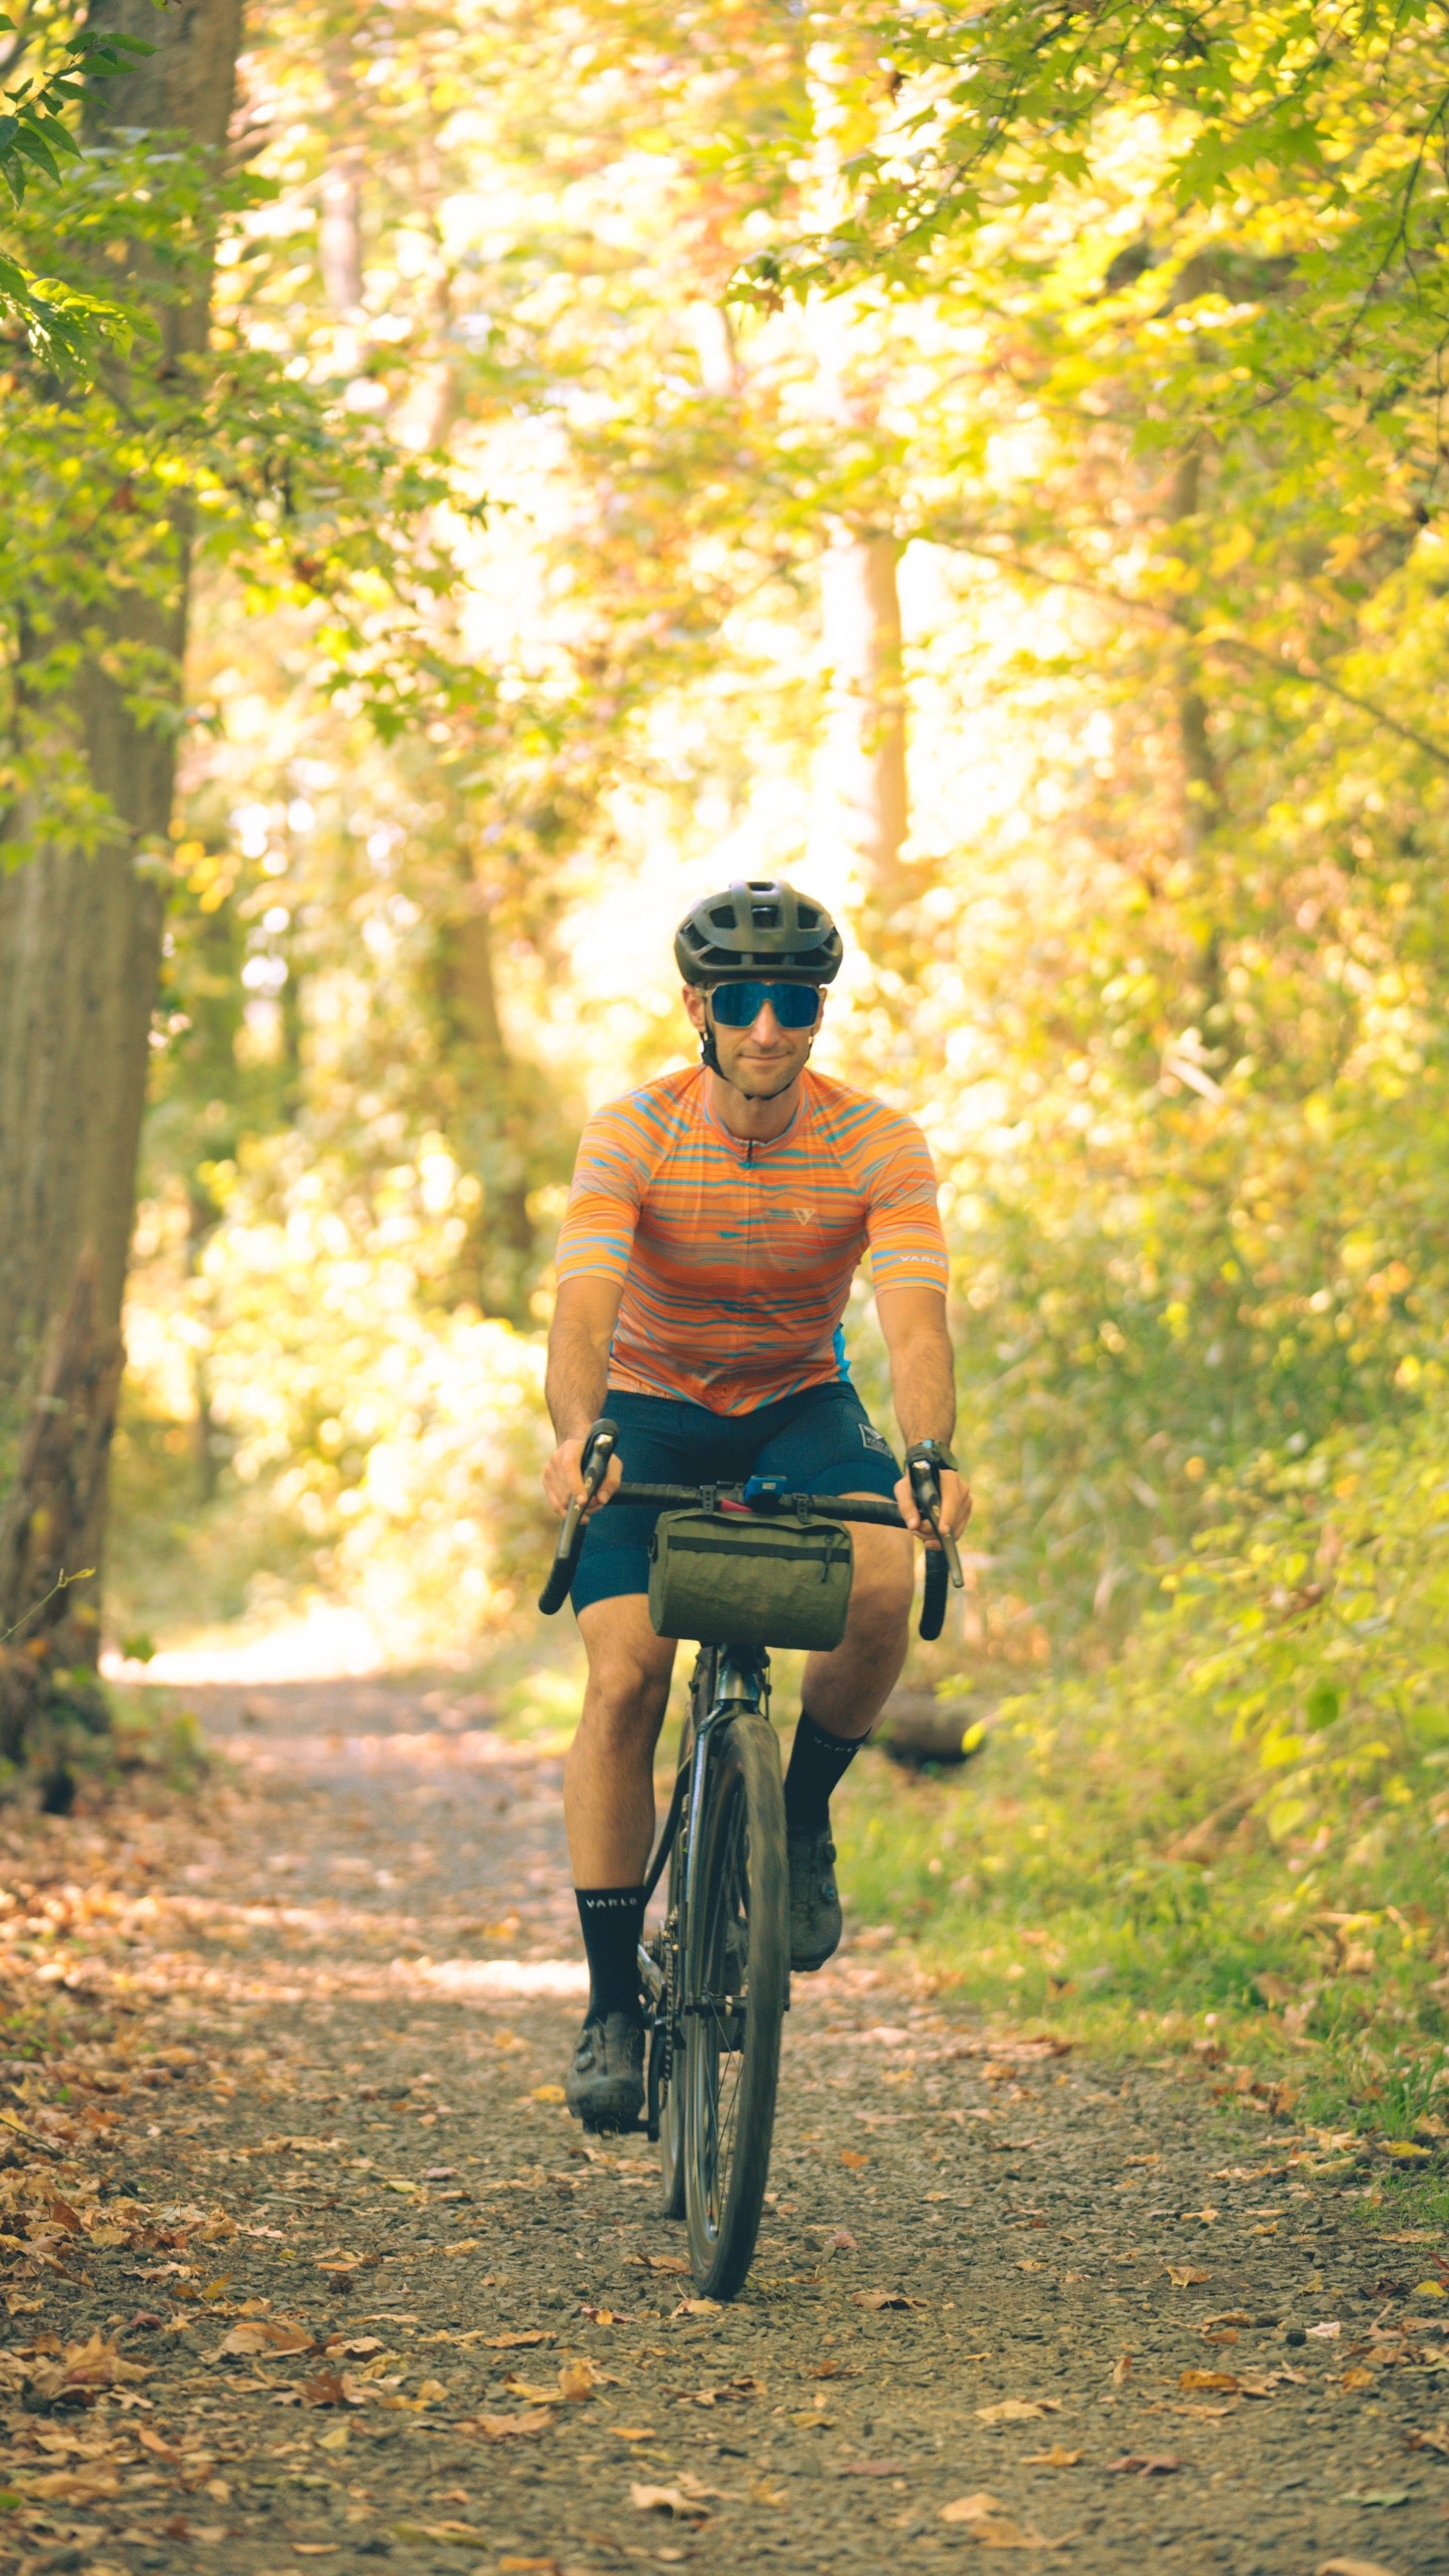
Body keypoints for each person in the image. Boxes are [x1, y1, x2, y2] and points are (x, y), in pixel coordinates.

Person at [542, 878, 972, 2131]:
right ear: (700, 1007)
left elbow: (913, 1318)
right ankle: (614, 2005)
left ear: (818, 1011)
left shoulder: (878, 1142)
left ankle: (797, 1822)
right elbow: (580, 1312)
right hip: (651, 1404)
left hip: (797, 1402)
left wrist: (929, 1454)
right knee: (625, 1676)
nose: (771, 1026)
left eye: (796, 1001)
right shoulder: (632, 1133)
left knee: (883, 1583)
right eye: (744, 1000)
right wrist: (579, 1438)